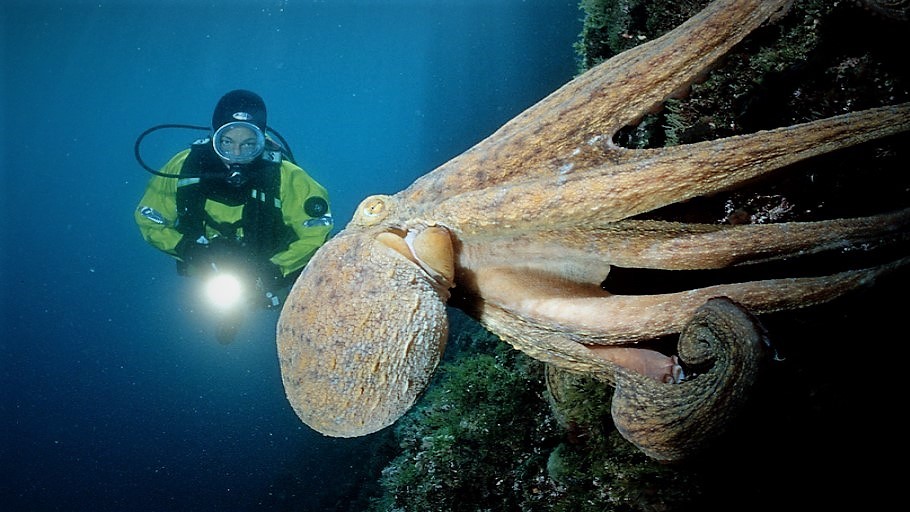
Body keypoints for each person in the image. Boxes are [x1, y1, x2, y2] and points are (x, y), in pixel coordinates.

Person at [135, 90, 332, 339]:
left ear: (261, 140)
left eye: (249, 144)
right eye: (226, 142)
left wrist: (275, 269)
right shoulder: (183, 167)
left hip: (268, 264)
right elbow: (148, 216)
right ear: (214, 137)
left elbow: (317, 229)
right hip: (207, 263)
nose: (237, 155)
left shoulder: (287, 176)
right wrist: (187, 248)